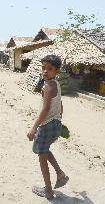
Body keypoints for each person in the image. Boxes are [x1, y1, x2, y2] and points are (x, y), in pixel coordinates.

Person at [27, 55, 69, 200]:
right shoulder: (56, 84)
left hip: (46, 126)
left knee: (42, 157)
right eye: (43, 68)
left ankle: (49, 191)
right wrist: (59, 118)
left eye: (49, 69)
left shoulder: (48, 86)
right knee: (44, 150)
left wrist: (33, 128)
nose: (45, 71)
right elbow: (61, 104)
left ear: (56, 71)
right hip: (56, 124)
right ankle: (60, 174)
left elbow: (45, 109)